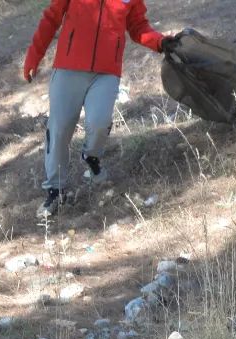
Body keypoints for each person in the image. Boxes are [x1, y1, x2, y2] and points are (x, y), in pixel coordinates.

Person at [22, 0, 176, 219]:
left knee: (99, 122)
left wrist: (160, 42)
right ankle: (55, 191)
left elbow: (138, 27)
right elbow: (52, 17)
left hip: (106, 72)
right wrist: (34, 56)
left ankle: (91, 156)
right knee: (59, 130)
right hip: (68, 68)